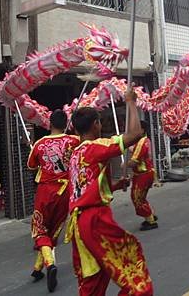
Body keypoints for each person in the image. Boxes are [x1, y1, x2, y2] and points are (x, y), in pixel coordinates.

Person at [66, 87, 153, 296]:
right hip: (95, 219)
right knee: (133, 272)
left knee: (94, 280)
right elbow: (134, 134)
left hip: (80, 223)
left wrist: (112, 186)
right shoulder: (95, 147)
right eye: (99, 122)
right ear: (96, 124)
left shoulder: (75, 155)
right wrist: (131, 102)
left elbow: (83, 187)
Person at [27, 109, 81, 292]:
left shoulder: (40, 143)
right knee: (54, 228)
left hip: (45, 191)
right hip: (65, 191)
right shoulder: (75, 141)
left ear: (49, 124)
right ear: (66, 124)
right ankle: (37, 269)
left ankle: (50, 264)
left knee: (40, 229)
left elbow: (31, 165)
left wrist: (34, 148)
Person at [129, 120, 158, 231]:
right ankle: (150, 215)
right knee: (141, 197)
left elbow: (135, 161)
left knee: (137, 198)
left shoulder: (142, 142)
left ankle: (150, 220)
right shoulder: (143, 141)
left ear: (142, 130)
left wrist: (125, 165)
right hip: (143, 174)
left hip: (143, 174)